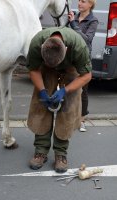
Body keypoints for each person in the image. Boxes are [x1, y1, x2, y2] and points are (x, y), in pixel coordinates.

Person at [26, 26, 92, 173]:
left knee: (69, 108)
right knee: (41, 105)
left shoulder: (78, 46)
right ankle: (40, 150)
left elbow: (86, 75)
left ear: (67, 50)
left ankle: (61, 153)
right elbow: (33, 69)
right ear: (42, 48)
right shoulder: (37, 43)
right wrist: (43, 91)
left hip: (71, 67)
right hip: (45, 68)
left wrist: (65, 90)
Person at [68, 0, 98, 132]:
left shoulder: (93, 20)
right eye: (79, 1)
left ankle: (82, 119)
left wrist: (73, 24)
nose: (80, 3)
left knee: (83, 91)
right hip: (70, 57)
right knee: (68, 87)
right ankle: (69, 117)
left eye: (83, 1)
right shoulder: (72, 15)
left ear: (90, 4)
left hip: (84, 58)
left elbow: (86, 39)